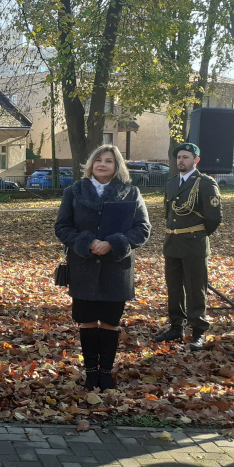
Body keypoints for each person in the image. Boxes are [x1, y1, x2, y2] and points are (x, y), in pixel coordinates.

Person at [55, 145, 151, 391]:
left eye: (109, 160)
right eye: (98, 159)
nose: (102, 164)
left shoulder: (131, 192)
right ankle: (90, 373)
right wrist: (87, 243)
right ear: (90, 164)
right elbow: (62, 227)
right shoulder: (74, 191)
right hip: (84, 266)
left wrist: (114, 243)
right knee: (86, 320)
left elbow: (143, 229)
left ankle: (105, 373)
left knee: (110, 321)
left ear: (117, 166)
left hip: (116, 268)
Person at [153, 142, 222, 351]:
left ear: (196, 160)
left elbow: (214, 218)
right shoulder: (172, 182)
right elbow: (169, 214)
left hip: (194, 245)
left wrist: (196, 236)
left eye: (186, 157)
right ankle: (176, 327)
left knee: (195, 290)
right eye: (179, 157)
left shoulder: (205, 183)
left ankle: (199, 332)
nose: (181, 160)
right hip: (172, 243)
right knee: (174, 289)